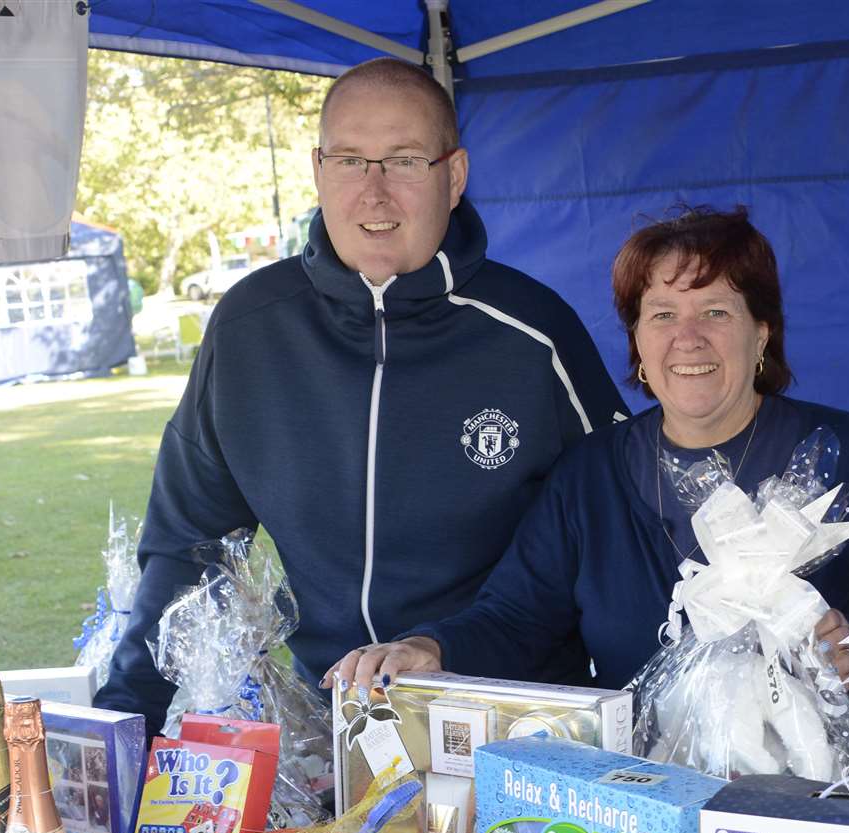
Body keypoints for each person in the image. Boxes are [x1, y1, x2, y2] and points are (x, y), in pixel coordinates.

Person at [95, 58, 627, 736]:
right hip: (334, 724)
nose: (373, 195)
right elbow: (184, 547)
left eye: (404, 161)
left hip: (516, 723)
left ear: (453, 176)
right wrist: (119, 727)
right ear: (318, 171)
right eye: (349, 161)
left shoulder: (533, 331)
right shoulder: (250, 326)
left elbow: (618, 533)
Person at [327, 206, 849, 704]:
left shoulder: (843, 456)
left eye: (716, 311)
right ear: (637, 341)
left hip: (808, 794)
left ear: (762, 331)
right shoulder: (589, 477)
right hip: (635, 796)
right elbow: (516, 618)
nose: (687, 338)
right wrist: (429, 648)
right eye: (662, 315)